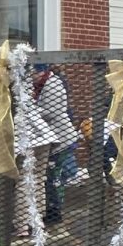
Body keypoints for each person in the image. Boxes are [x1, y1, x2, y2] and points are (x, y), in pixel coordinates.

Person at [33, 66, 80, 226]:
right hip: (53, 139)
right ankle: (51, 209)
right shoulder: (42, 85)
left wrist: (30, 112)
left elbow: (51, 112)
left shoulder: (52, 84)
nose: (32, 77)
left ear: (41, 71)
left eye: (34, 73)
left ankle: (55, 212)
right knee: (52, 175)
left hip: (61, 139)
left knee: (54, 176)